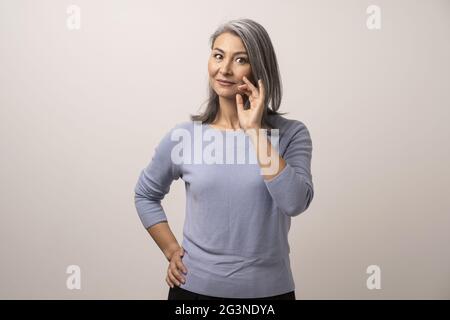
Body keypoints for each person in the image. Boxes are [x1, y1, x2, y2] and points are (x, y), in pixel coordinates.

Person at [134, 18, 314, 300]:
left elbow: (294, 202)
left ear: (259, 68)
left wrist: (254, 131)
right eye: (218, 56)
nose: (225, 69)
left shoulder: (292, 134)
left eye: (240, 59)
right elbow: (145, 194)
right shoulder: (185, 136)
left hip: (269, 294)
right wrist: (171, 250)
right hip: (194, 291)